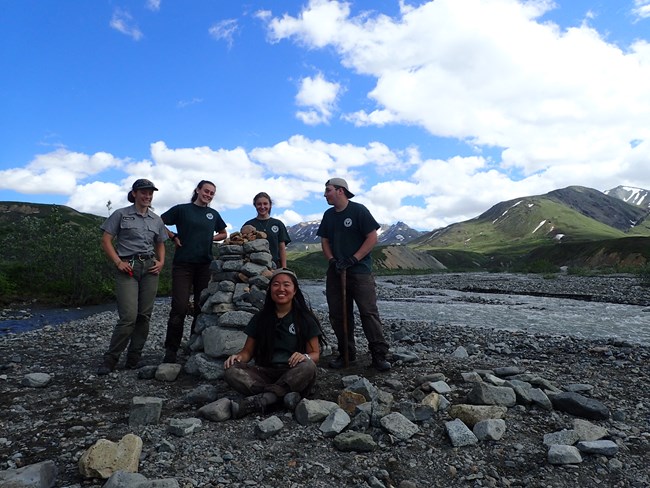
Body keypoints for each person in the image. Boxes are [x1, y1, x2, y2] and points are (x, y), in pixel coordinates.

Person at [223, 268, 324, 418]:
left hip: (292, 372)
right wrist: (237, 358)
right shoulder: (260, 318)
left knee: (308, 366)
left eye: (286, 285)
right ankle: (278, 397)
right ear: (270, 290)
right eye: (276, 284)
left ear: (295, 290)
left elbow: (315, 354)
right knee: (231, 370)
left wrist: (304, 357)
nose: (281, 289)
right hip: (265, 372)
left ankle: (264, 399)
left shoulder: (304, 318)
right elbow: (247, 352)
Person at [316, 178, 391, 372]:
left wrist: (354, 259)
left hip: (360, 272)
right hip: (336, 272)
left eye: (328, 190)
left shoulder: (359, 210)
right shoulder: (328, 215)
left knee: (368, 312)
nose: (325, 194)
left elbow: (372, 236)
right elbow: (324, 240)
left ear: (340, 191)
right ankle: (346, 354)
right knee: (338, 314)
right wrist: (332, 260)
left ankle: (379, 355)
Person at [97, 179, 167, 375]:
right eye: (143, 192)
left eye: (150, 193)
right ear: (134, 193)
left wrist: (161, 262)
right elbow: (106, 239)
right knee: (128, 317)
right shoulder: (121, 214)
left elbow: (160, 242)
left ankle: (134, 359)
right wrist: (118, 262)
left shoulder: (156, 219)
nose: (147, 196)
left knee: (144, 316)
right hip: (127, 268)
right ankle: (110, 359)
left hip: (150, 268)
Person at [160, 180, 227, 364]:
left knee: (201, 307)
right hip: (183, 265)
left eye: (212, 193)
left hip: (204, 265)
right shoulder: (182, 210)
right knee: (180, 307)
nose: (208, 195)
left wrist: (210, 238)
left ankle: (192, 345)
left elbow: (224, 233)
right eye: (206, 191)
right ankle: (171, 349)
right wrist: (172, 236)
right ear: (198, 190)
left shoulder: (213, 214)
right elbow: (158, 222)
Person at [243, 192, 291, 268]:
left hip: (275, 266)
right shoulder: (248, 225)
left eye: (265, 204)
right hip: (253, 266)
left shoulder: (278, 224)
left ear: (270, 205)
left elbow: (282, 248)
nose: (262, 207)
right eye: (259, 204)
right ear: (255, 205)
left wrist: (284, 268)